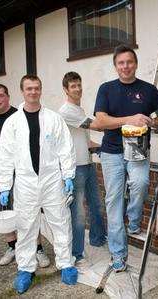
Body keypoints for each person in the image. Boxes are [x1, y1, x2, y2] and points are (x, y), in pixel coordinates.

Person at [0, 75, 78, 294]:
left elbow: (65, 147)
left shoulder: (53, 118)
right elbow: (4, 155)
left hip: (52, 180)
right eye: (29, 88)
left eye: (37, 88)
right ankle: (25, 268)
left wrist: (68, 175)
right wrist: (4, 185)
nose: (33, 92)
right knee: (26, 226)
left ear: (41, 90)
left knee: (60, 221)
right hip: (25, 183)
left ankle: (66, 263)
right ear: (22, 91)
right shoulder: (12, 122)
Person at [93, 44, 158, 272]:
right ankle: (118, 254)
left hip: (138, 150)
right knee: (113, 203)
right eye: (121, 63)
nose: (125, 66)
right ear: (116, 66)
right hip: (112, 152)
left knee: (142, 183)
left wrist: (149, 122)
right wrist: (129, 119)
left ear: (136, 64)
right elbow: (101, 121)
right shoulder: (106, 89)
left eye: (129, 62)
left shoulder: (148, 90)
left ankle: (133, 221)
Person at [0, 84, 49, 267]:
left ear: (8, 97)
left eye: (1, 95)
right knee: (1, 212)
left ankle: (37, 249)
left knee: (28, 213)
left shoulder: (19, 116)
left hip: (21, 175)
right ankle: (13, 247)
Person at [58, 71, 107, 266]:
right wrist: (117, 120)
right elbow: (97, 126)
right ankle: (76, 253)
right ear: (66, 89)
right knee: (77, 213)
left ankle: (97, 239)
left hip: (87, 164)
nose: (77, 89)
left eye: (79, 85)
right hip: (74, 169)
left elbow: (86, 140)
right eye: (73, 86)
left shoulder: (79, 110)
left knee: (96, 204)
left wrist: (103, 148)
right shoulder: (66, 111)